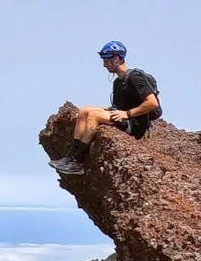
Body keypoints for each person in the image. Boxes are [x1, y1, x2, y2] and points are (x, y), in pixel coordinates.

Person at [46, 41, 162, 174]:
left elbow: (152, 103)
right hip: (124, 116)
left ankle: (77, 162)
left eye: (106, 60)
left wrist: (128, 114)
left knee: (93, 116)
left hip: (135, 124)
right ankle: (69, 157)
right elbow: (119, 106)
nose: (104, 65)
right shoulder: (118, 82)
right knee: (84, 110)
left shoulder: (135, 77)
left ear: (116, 59)